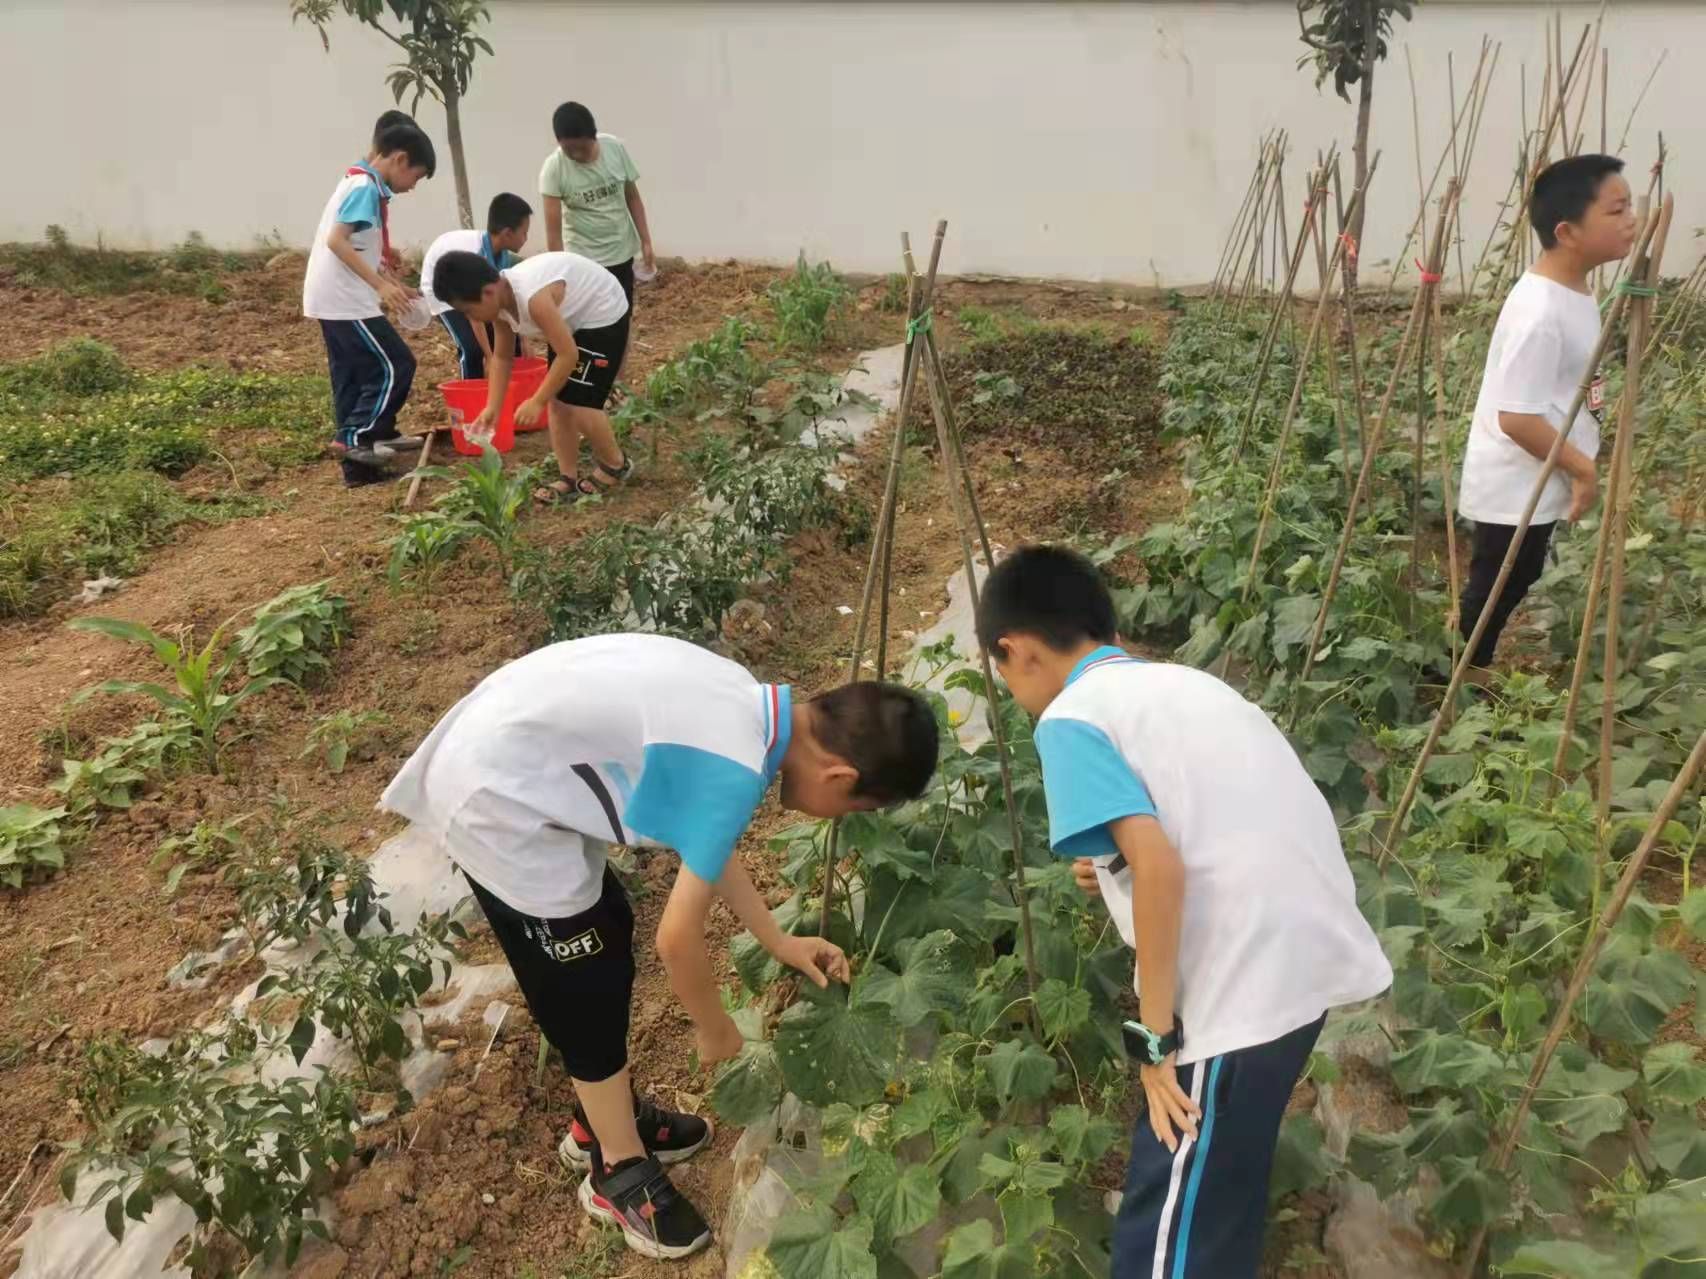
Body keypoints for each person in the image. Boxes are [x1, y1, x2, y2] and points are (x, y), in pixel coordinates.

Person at [380, 633, 939, 1260]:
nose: (834, 818)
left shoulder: (747, 710)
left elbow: (706, 841)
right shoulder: (735, 768)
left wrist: (776, 939)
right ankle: (614, 1168)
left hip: (514, 752)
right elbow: (677, 940)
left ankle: (601, 1119)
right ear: (840, 776)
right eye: (850, 808)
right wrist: (714, 1028)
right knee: (581, 982)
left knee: (607, 929)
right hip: (496, 798)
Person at [975, 545, 1392, 1279]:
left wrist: (1154, 1038)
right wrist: (1112, 858)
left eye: (1002, 673)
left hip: (1236, 985)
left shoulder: (1069, 717)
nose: (1011, 690)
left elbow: (1161, 864)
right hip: (1304, 960)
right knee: (1218, 1192)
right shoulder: (1182, 684)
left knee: (1167, 1236)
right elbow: (1197, 818)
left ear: (1015, 650)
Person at [1455, 154, 1636, 676]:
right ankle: (1457, 677)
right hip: (1515, 482)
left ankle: (1467, 664)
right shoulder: (1541, 314)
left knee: (1516, 573)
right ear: (1568, 231)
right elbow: (1517, 418)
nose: (1632, 220)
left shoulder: (1572, 289)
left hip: (1539, 470)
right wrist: (1582, 469)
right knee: (1497, 583)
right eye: (1617, 209)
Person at [432, 249, 631, 504]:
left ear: (488, 291)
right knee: (558, 401)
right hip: (569, 318)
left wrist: (537, 400)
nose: (471, 318)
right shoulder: (500, 305)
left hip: (601, 310)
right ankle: (567, 476)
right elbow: (502, 358)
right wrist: (493, 407)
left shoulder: (533, 299)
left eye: (469, 310)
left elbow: (567, 355)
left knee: (580, 401)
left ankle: (615, 463)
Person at [302, 121, 436, 487]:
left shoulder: (359, 181)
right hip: (345, 301)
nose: (412, 187)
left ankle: (359, 469)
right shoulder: (364, 186)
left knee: (352, 378)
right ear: (400, 159)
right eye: (416, 176)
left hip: (332, 297)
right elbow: (337, 241)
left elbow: (361, 247)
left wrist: (393, 284)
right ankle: (361, 436)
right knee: (396, 364)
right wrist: (380, 285)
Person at [539, 101, 655, 308]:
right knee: (591, 318)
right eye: (569, 150)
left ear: (593, 136)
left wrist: (646, 241)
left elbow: (633, 198)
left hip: (621, 251)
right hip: (583, 259)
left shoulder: (615, 149)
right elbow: (553, 234)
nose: (577, 155)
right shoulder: (554, 168)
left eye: (582, 148)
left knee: (622, 311)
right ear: (558, 142)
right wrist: (558, 273)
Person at [420, 193, 533, 380]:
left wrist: (524, 339)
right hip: (444, 291)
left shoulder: (502, 257)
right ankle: (472, 393)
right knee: (473, 349)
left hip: (469, 291)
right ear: (507, 233)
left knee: (512, 346)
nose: (526, 238)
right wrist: (489, 357)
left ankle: (509, 394)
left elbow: (508, 306)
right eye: (524, 233)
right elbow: (474, 313)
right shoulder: (475, 255)